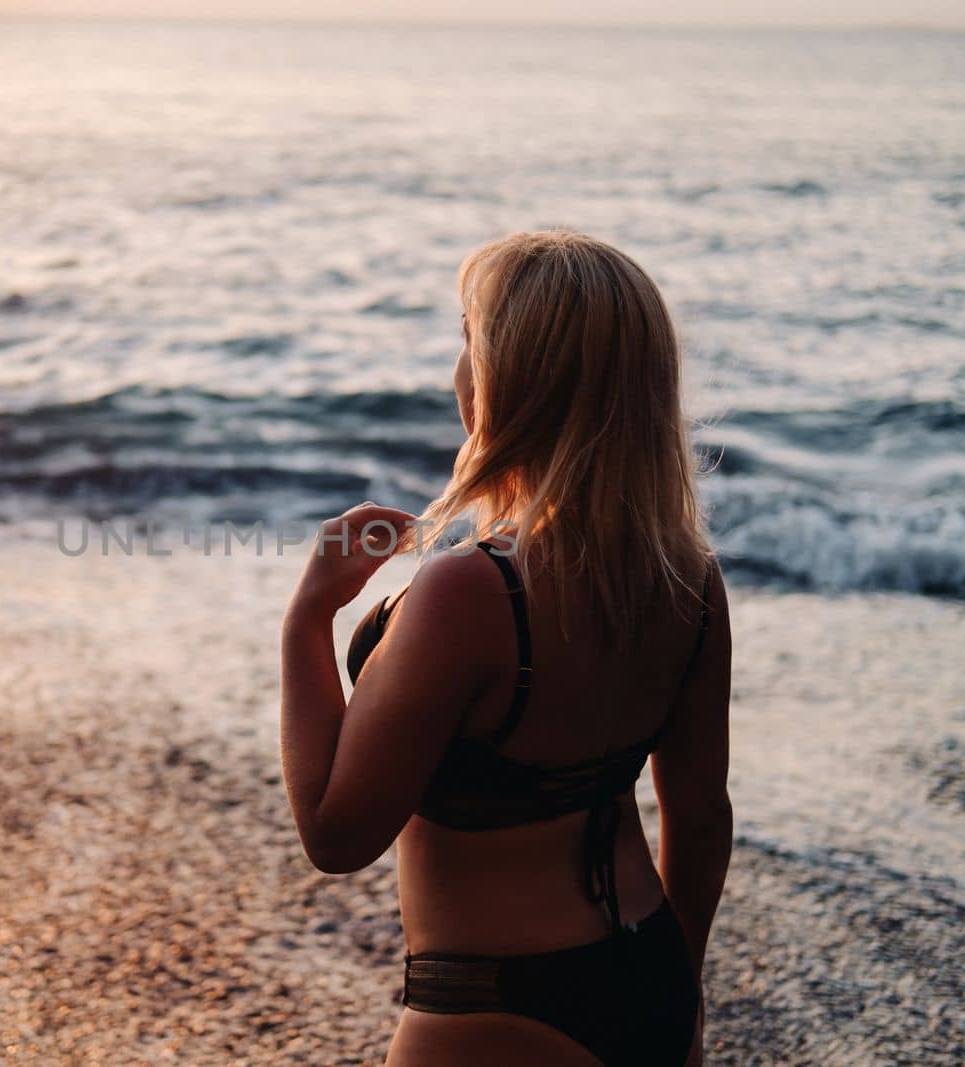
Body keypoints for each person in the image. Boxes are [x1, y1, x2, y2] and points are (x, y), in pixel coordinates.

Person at [279, 230, 733, 1066]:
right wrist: (684, 993)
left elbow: (336, 835)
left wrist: (308, 620)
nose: (459, 368)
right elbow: (700, 816)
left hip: (497, 998)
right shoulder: (688, 578)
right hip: (651, 966)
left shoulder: (468, 593)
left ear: (511, 380)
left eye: (468, 341)